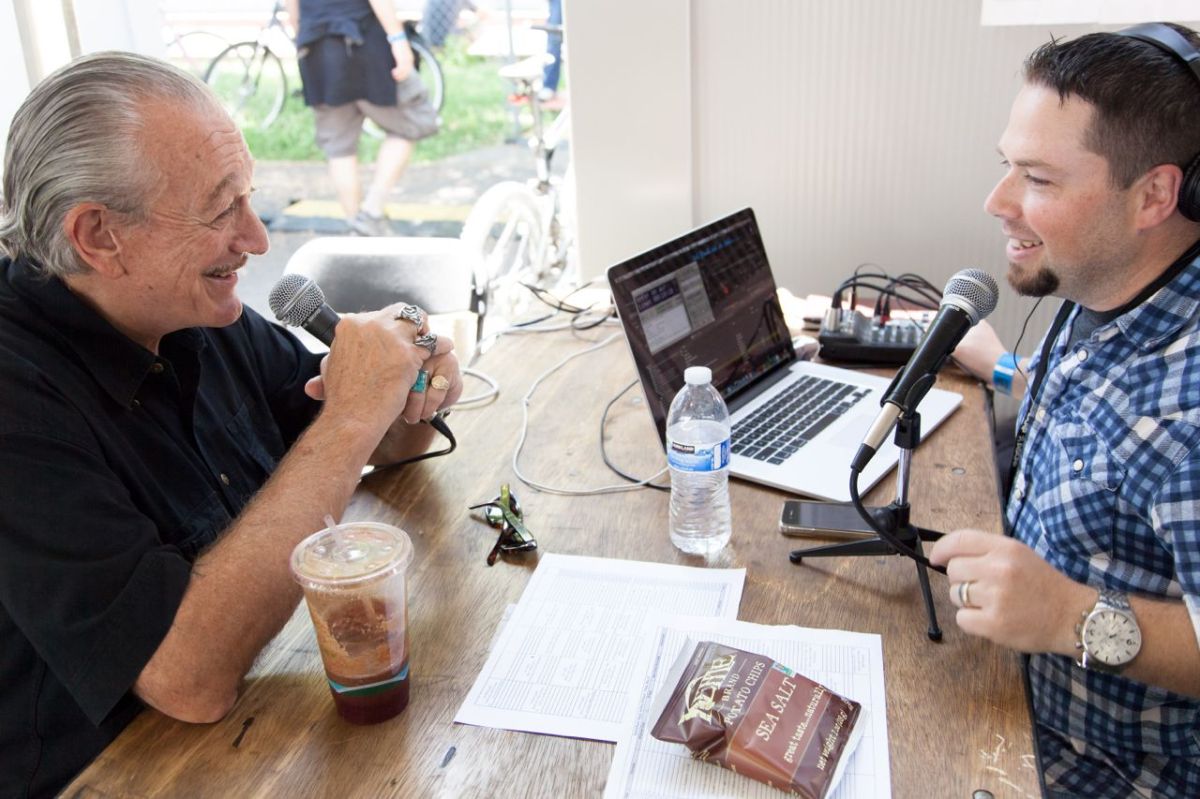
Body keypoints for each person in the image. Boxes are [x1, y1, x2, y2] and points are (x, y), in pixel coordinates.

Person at [0, 52, 462, 798]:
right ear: (98, 236)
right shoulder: (18, 396)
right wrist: (352, 414)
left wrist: (407, 385)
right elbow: (188, 680)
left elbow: (372, 442)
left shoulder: (185, 304)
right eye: (220, 210)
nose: (256, 239)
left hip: (258, 708)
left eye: (249, 197)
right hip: (108, 770)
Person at [933, 23, 1200, 797]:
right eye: (1008, 167)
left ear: (1155, 195)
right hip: (1015, 688)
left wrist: (1067, 615)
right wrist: (999, 366)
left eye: (1039, 180)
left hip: (1098, 773)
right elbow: (1105, 418)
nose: (998, 203)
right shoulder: (1108, 277)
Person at [288, 0, 439, 236]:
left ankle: (356, 225)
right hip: (365, 39)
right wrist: (399, 40)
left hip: (316, 45)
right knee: (414, 121)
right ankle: (371, 213)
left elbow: (292, 8)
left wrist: (303, 36)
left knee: (339, 145)